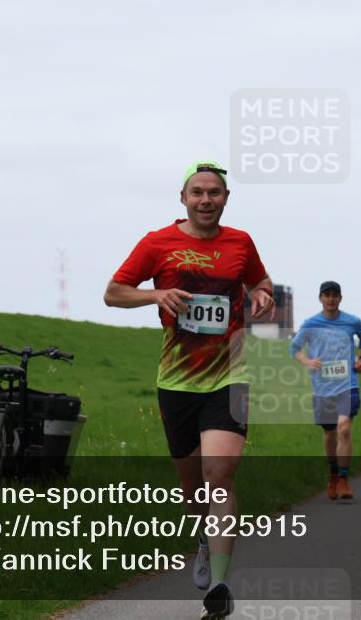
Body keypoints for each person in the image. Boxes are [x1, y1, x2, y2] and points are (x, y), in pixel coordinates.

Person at [103, 160, 275, 620]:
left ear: (225, 198)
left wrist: (261, 294)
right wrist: (155, 295)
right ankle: (204, 538)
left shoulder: (240, 242)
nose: (205, 200)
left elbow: (260, 280)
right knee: (194, 489)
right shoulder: (157, 243)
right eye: (197, 192)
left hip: (230, 374)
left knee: (219, 475)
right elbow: (114, 292)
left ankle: (219, 583)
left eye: (214, 193)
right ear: (183, 198)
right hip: (177, 379)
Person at [290, 281, 361, 501]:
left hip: (348, 384)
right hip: (323, 387)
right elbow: (294, 348)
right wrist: (307, 361)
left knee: (344, 428)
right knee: (329, 433)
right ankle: (333, 474)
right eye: (327, 295)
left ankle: (344, 479)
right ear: (320, 298)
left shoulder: (352, 322)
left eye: (335, 295)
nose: (331, 299)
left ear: (340, 299)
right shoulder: (310, 324)